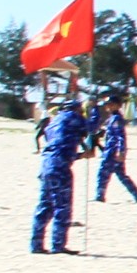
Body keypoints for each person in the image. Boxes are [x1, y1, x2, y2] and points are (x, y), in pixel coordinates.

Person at [29, 93, 93, 254]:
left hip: (46, 165)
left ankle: (36, 244)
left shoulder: (53, 121)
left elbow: (60, 144)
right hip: (61, 167)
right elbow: (90, 129)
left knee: (44, 206)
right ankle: (58, 245)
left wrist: (81, 154)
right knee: (62, 207)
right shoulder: (74, 118)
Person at [92, 91, 137, 203]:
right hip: (111, 150)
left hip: (112, 152)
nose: (108, 107)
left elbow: (121, 136)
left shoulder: (116, 119)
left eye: (110, 104)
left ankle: (99, 195)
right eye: (107, 104)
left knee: (103, 173)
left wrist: (121, 152)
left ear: (117, 105)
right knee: (121, 175)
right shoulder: (112, 118)